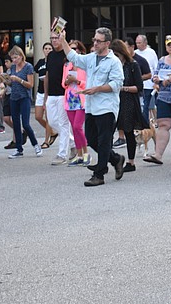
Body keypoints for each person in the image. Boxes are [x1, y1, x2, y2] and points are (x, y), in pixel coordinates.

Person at [61, 27, 126, 186]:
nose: (95, 43)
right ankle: (116, 159)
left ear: (107, 43)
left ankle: (99, 174)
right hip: (91, 105)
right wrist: (62, 39)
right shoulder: (90, 58)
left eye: (98, 41)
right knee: (91, 138)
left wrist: (97, 89)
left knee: (104, 140)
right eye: (94, 40)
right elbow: (74, 57)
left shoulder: (114, 61)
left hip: (107, 106)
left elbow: (117, 83)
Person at [111, 39, 149, 173]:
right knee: (109, 131)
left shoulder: (132, 65)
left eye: (117, 54)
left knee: (128, 131)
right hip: (113, 101)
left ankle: (131, 161)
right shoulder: (112, 65)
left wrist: (123, 88)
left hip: (128, 101)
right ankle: (108, 160)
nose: (115, 56)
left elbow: (139, 87)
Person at [144, 35, 171, 165]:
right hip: (163, 96)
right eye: (168, 45)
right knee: (163, 125)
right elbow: (156, 74)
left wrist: (170, 79)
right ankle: (158, 155)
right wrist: (156, 79)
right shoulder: (162, 60)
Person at [6, 46, 42, 159]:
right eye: (12, 58)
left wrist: (18, 79)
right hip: (14, 97)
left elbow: (30, 85)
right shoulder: (12, 67)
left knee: (25, 124)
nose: (14, 60)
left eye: (16, 57)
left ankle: (36, 144)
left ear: (21, 56)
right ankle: (18, 148)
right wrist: (6, 81)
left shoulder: (28, 67)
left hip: (24, 97)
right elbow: (12, 84)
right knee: (16, 123)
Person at [44, 33, 73, 165]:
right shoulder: (50, 55)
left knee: (63, 123)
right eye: (52, 38)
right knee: (52, 121)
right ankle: (73, 142)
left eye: (56, 38)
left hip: (63, 93)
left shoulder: (66, 54)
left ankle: (62, 154)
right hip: (52, 94)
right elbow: (47, 75)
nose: (54, 41)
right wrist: (45, 95)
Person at [64, 40, 90, 166]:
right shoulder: (67, 65)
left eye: (75, 48)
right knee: (73, 128)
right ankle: (79, 155)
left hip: (81, 99)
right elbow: (63, 83)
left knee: (77, 126)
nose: (73, 50)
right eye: (71, 48)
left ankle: (86, 153)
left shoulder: (84, 65)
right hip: (69, 99)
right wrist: (67, 82)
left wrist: (77, 81)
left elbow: (88, 83)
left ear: (80, 50)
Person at [33, 42, 56, 148]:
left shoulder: (54, 61)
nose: (48, 50)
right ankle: (52, 132)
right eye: (46, 48)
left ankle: (46, 141)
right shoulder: (40, 62)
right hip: (40, 91)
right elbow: (36, 70)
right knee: (38, 116)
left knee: (48, 117)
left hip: (50, 92)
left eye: (50, 48)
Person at [134, 34, 159, 124]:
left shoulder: (151, 52)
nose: (138, 45)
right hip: (138, 84)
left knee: (147, 106)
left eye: (139, 43)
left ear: (145, 43)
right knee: (139, 106)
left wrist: (155, 82)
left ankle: (145, 125)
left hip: (149, 84)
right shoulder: (135, 53)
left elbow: (156, 67)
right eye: (136, 43)